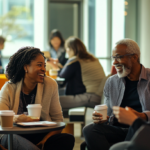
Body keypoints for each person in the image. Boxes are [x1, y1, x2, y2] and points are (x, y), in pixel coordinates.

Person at [0, 46, 74, 150]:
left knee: (67, 139)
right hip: (14, 135)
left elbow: (58, 121)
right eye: (39, 65)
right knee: (21, 143)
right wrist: (16, 118)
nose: (44, 69)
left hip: (39, 135)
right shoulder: (8, 88)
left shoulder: (50, 85)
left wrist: (45, 139)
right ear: (25, 67)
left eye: (44, 65)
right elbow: (0, 117)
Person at [82, 38, 150, 150]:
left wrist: (139, 116)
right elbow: (108, 115)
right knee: (89, 129)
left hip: (142, 128)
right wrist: (102, 118)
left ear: (134, 57)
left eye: (118, 57)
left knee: (136, 127)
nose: (114, 62)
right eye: (113, 58)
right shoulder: (111, 81)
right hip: (118, 129)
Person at [57, 36, 105, 116]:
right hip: (97, 96)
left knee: (50, 101)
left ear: (71, 49)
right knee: (57, 95)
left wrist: (55, 67)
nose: (66, 51)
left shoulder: (76, 60)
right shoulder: (92, 58)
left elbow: (62, 76)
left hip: (89, 97)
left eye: (67, 49)